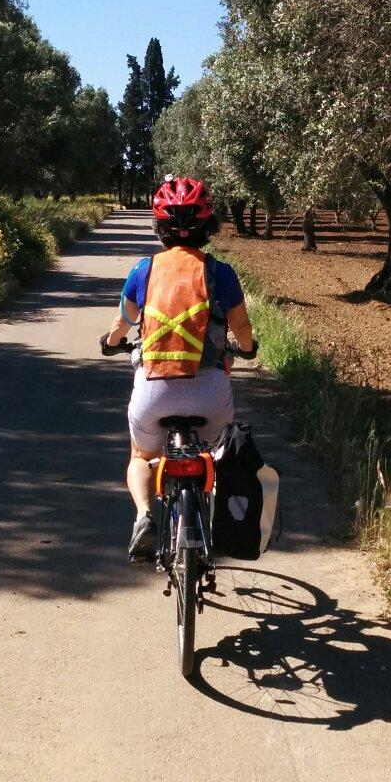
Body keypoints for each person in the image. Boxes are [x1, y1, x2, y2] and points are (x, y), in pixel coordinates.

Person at [101, 176, 256, 561]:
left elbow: (122, 325)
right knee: (218, 455)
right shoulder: (221, 273)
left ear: (160, 226)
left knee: (140, 456)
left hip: (154, 391)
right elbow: (241, 328)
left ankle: (143, 518)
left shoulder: (143, 271)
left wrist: (111, 343)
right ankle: (211, 517)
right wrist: (249, 350)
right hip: (210, 393)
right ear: (209, 227)